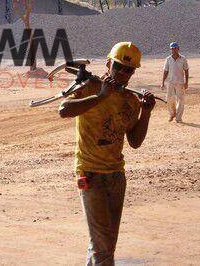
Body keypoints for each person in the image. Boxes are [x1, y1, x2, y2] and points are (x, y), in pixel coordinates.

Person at [58, 42, 156, 265]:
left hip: (116, 177)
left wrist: (146, 113)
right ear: (109, 63)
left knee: (105, 245)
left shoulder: (131, 101)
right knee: (103, 250)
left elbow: (135, 141)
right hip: (90, 175)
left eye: (128, 70)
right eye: (119, 67)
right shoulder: (90, 87)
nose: (122, 73)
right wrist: (101, 96)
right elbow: (64, 110)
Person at [161, 42, 189, 123]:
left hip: (180, 82)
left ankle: (178, 117)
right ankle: (172, 114)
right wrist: (162, 82)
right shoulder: (168, 59)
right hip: (170, 82)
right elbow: (165, 71)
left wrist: (186, 82)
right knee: (169, 99)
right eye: (172, 48)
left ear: (178, 48)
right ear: (170, 49)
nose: (173, 50)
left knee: (181, 100)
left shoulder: (183, 59)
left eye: (175, 48)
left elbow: (186, 70)